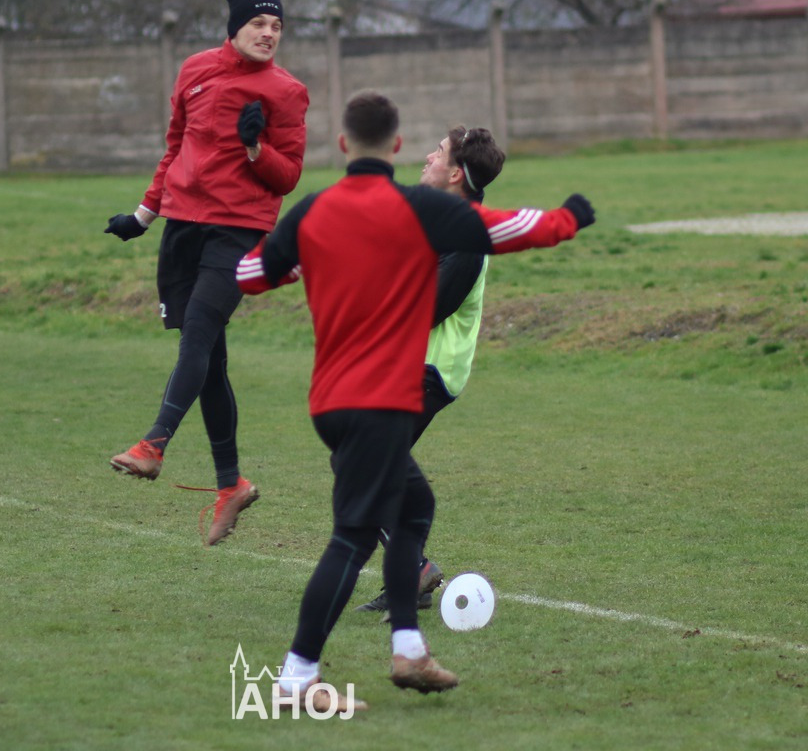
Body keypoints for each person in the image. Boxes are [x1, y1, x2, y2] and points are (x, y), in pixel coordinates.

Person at [237, 92, 593, 707]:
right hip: (379, 395)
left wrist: (298, 260)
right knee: (353, 535)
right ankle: (298, 676)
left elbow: (249, 275)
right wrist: (570, 217)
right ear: (396, 145)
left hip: (330, 397)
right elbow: (508, 228)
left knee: (413, 505)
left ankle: (408, 648)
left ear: (343, 145)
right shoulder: (419, 209)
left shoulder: (316, 211)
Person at [104, 0, 308, 546]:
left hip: (238, 230)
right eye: (259, 23)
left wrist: (255, 149)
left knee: (198, 331)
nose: (269, 33)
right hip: (183, 227)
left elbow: (289, 175)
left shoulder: (287, 91)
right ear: (235, 27)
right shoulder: (194, 70)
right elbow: (174, 148)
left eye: (277, 26)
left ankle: (154, 444)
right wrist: (143, 215)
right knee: (210, 360)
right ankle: (231, 484)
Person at [356, 125, 505, 614]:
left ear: (456, 173)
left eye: (438, 153)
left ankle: (414, 570)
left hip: (430, 368)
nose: (426, 157)